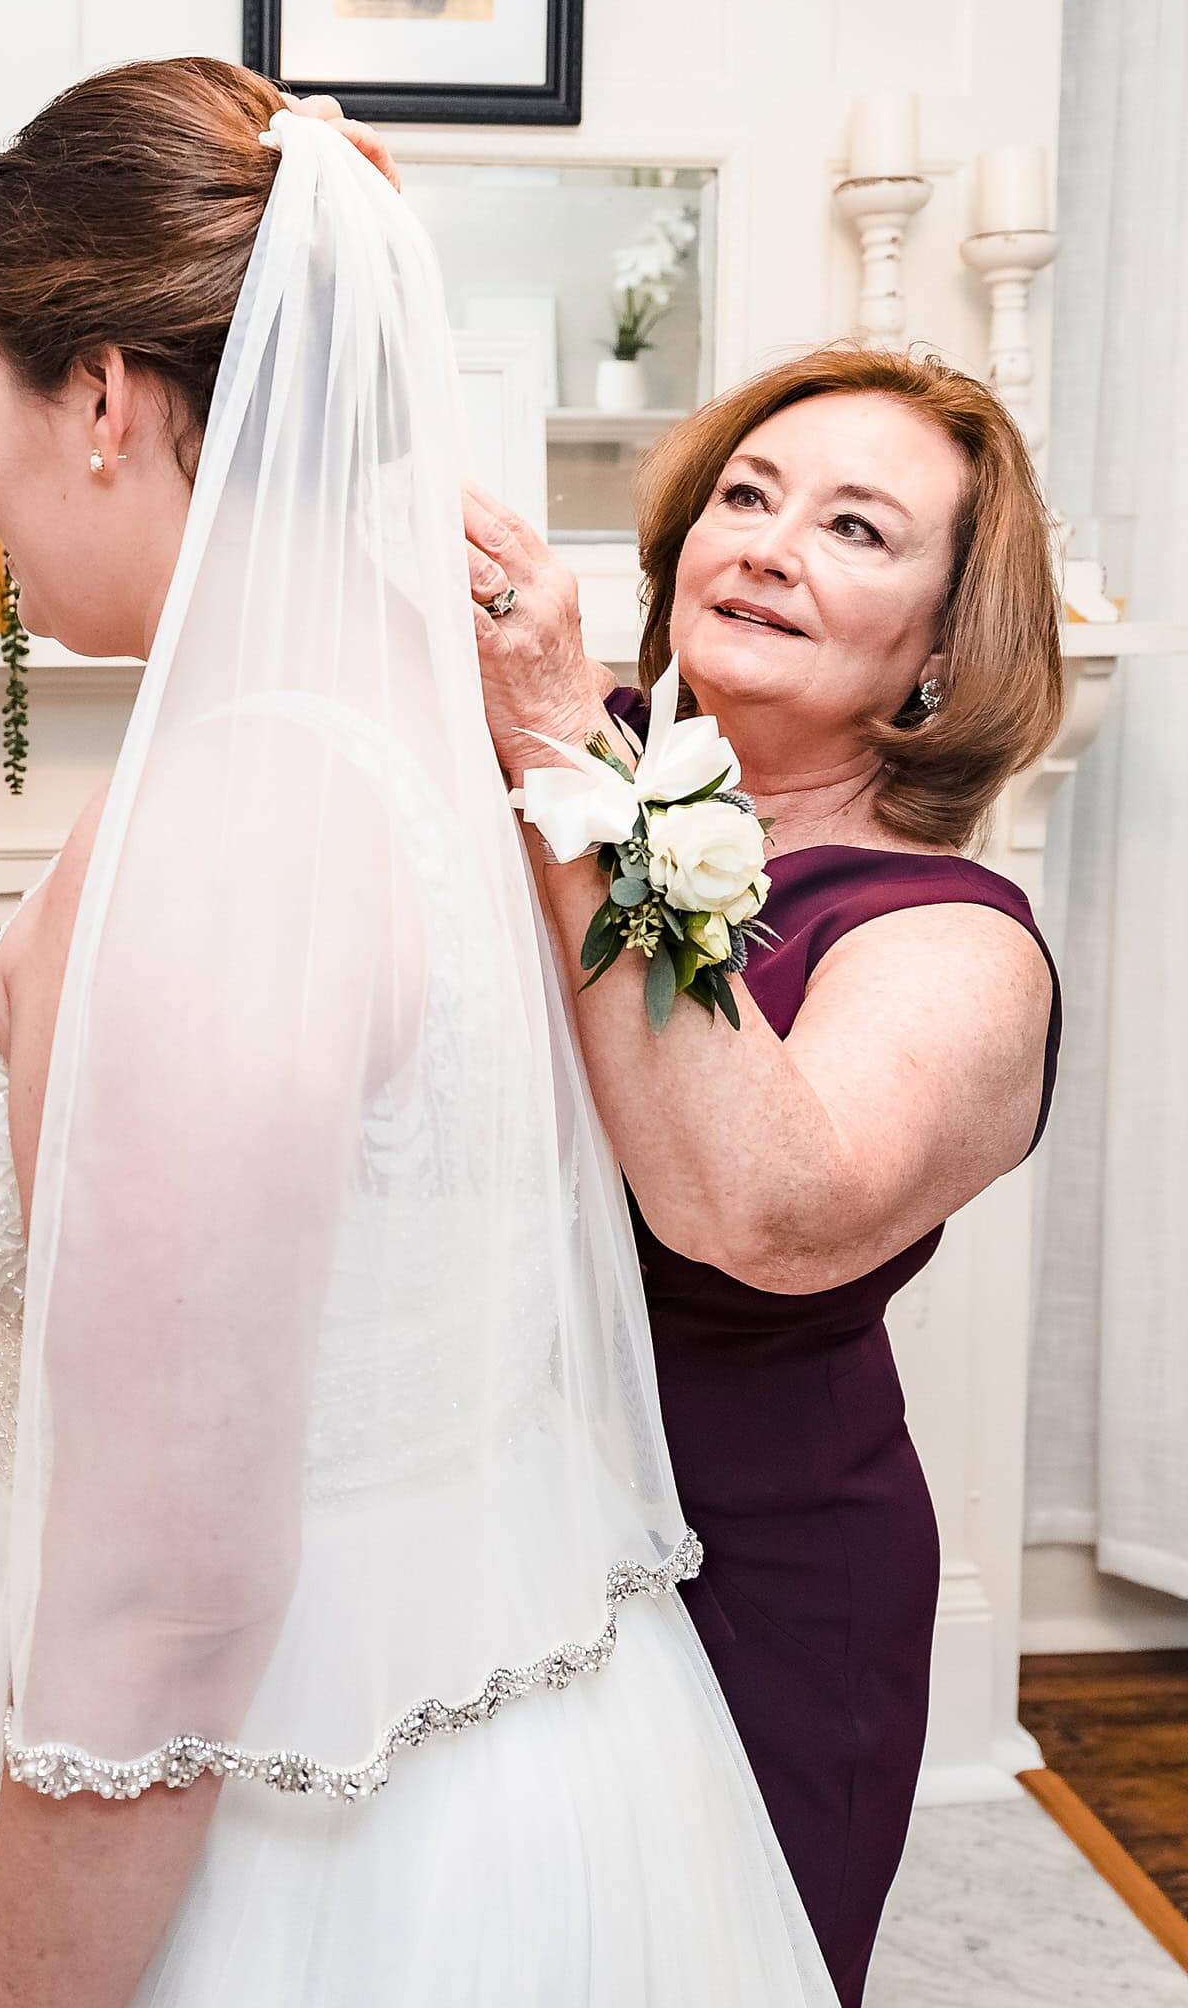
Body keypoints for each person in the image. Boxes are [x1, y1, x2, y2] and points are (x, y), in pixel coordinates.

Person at [0, 58, 839, 2007]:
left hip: (313, 1834)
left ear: (110, 398)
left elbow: (161, 1598)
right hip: (481, 1715)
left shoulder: (245, 816)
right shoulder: (421, 730)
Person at [454, 341, 1065, 2007]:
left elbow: (755, 1211)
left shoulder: (955, 947)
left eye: (858, 528)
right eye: (744, 495)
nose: (770, 544)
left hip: (758, 1583)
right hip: (462, 1535)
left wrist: (572, 767)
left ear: (943, 652)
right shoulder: (537, 757)